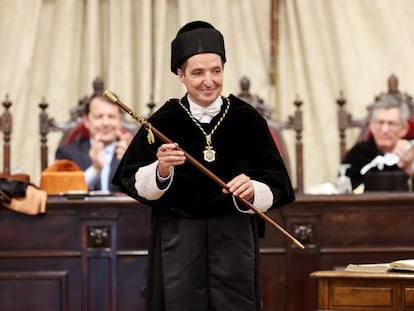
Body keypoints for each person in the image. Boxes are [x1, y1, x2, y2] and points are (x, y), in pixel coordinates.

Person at [112, 21, 295, 311]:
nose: (209, 81)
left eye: (216, 71)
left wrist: (252, 190)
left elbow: (280, 185)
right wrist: (161, 171)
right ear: (180, 75)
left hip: (234, 241)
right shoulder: (163, 120)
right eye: (198, 73)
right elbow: (130, 179)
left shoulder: (247, 119)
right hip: (179, 241)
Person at [55, 94, 132, 192]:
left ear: (120, 120)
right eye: (99, 117)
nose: (105, 123)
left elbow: (144, 197)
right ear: (86, 120)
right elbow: (60, 192)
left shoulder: (131, 153)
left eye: (111, 117)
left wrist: (130, 164)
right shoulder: (67, 153)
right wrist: (95, 169)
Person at [342, 94, 414, 191]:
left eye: (391, 124)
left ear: (404, 129)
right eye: (380, 122)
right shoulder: (358, 153)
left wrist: (410, 165)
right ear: (371, 125)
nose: (385, 130)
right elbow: (344, 191)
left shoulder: (411, 151)